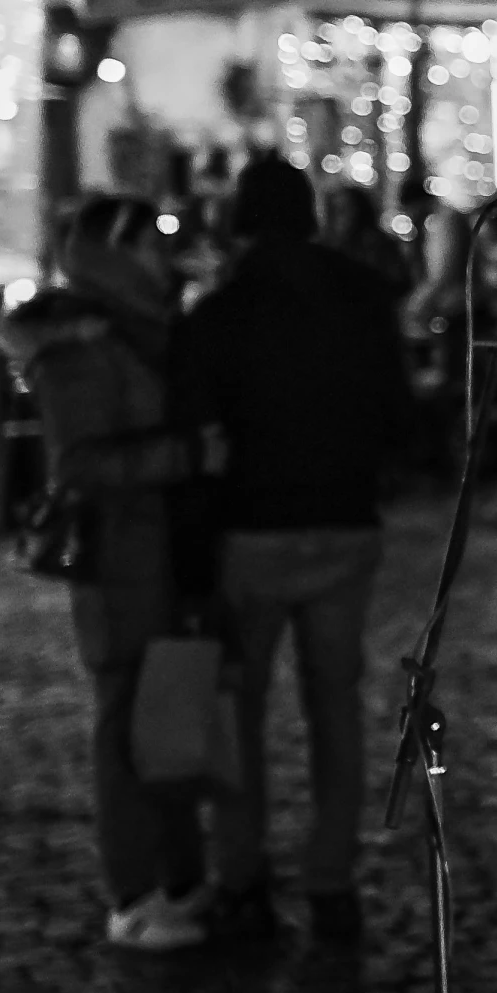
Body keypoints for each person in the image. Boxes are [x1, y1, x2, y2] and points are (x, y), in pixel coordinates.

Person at [173, 154, 414, 943]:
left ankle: (242, 872)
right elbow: (397, 408)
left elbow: (200, 439)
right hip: (345, 522)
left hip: (253, 530)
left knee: (239, 711)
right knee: (334, 704)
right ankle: (331, 874)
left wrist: (192, 551)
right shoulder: (362, 297)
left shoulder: (220, 313)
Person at [1, 196, 224, 951]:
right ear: (117, 248)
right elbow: (80, 466)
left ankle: (179, 878)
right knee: (125, 717)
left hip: (162, 549)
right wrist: (188, 456)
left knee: (168, 709)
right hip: (121, 557)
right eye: (152, 241)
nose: (166, 254)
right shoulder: (83, 338)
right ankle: (133, 894)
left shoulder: (137, 325)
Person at [320, 183, 416, 297]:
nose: (338, 218)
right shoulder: (328, 247)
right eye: (333, 211)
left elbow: (396, 282)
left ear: (359, 211)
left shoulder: (377, 245)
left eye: (343, 210)